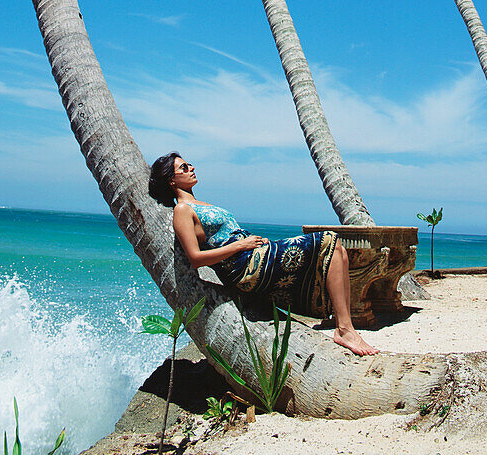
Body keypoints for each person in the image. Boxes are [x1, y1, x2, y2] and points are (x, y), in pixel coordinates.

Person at [148, 152, 378, 356]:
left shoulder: (200, 203)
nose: (192, 168)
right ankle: (345, 330)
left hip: (253, 256)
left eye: (189, 164)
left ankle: (344, 323)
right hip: (243, 268)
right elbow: (195, 258)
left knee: (339, 251)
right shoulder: (181, 210)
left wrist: (255, 242)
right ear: (171, 180)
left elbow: (230, 233)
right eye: (184, 168)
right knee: (329, 240)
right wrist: (241, 246)